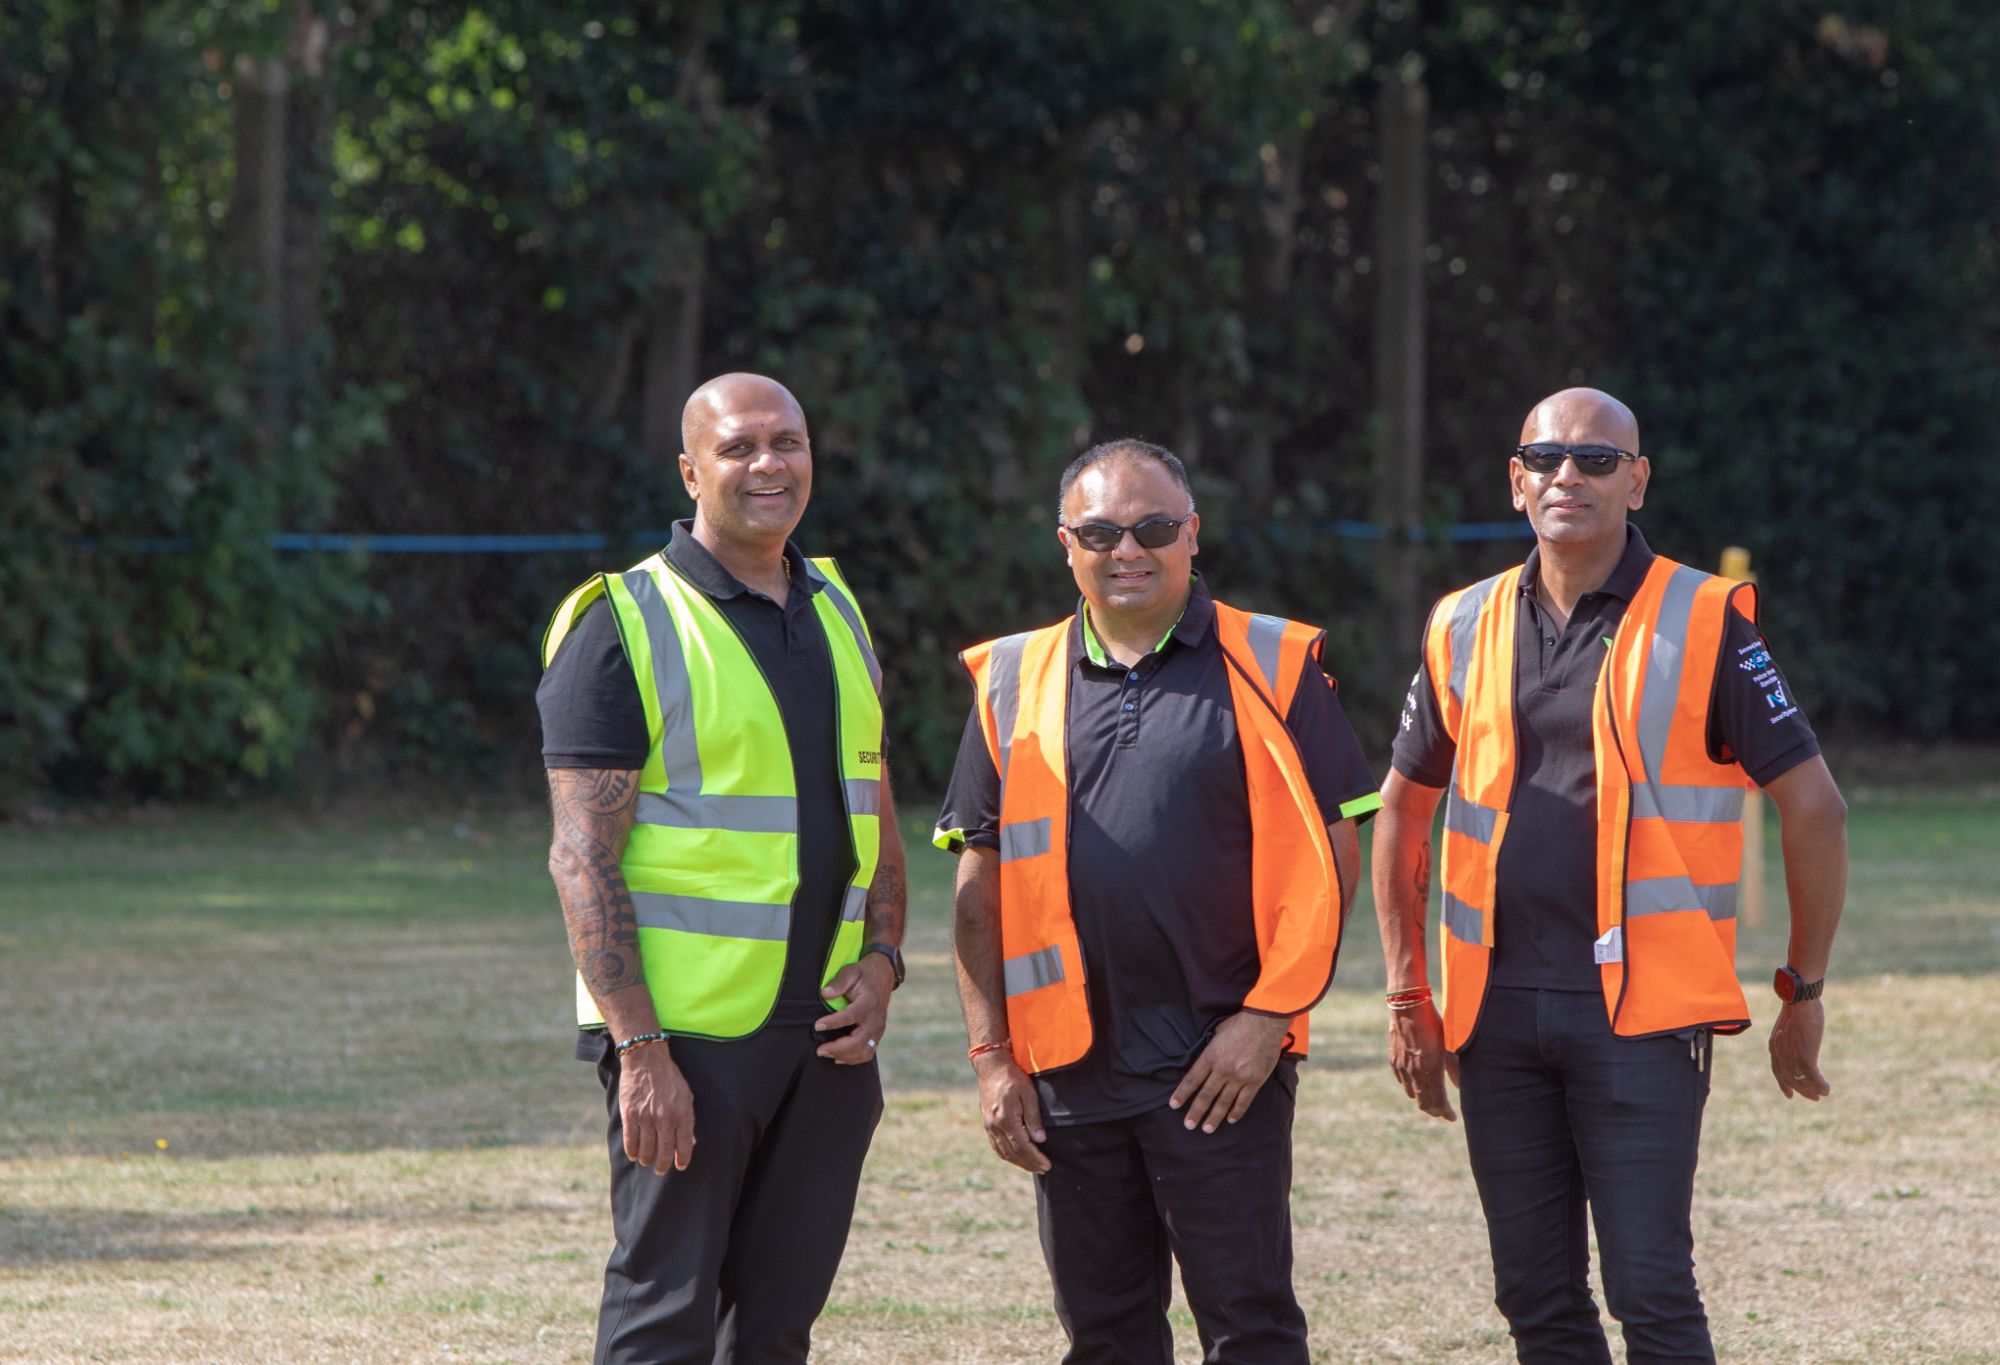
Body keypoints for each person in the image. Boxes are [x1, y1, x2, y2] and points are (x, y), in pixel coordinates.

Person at [1370, 387, 1849, 1363]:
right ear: (1514, 481)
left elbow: (1814, 807)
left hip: (1641, 1014)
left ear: (1635, 481)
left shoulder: (1705, 619)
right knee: (1534, 1297)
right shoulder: (1460, 623)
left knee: (1649, 1292)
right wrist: (1404, 989)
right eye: (1544, 458)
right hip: (1492, 1013)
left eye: (1594, 460)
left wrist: (1801, 988)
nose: (1566, 476)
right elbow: (1400, 809)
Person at [939, 439, 1380, 1365]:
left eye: (1151, 527)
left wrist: (1267, 1021)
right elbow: (978, 892)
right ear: (1066, 542)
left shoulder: (1276, 662)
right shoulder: (1012, 679)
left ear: (1192, 533)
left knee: (1251, 1330)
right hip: (1067, 1074)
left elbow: (1334, 863)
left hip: (1222, 1070)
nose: (1126, 548)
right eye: (1100, 530)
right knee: (1105, 1340)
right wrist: (991, 1057)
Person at [536, 372, 908, 1364]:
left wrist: (883, 961)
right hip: (688, 1044)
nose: (767, 464)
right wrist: (640, 1052)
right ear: (689, 469)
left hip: (826, 1036)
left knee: (777, 1327)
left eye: (785, 442)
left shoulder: (836, 606)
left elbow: (874, 799)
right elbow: (581, 857)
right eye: (738, 447)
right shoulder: (623, 624)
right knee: (666, 1319)